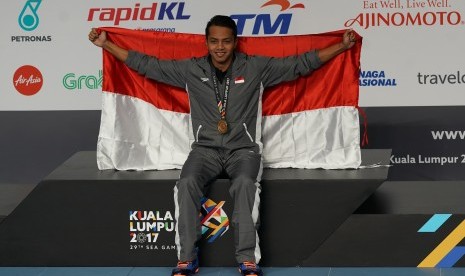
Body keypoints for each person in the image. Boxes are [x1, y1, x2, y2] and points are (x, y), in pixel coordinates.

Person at [89, 15, 356, 276]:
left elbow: (301, 63)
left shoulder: (255, 68)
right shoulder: (191, 69)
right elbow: (148, 65)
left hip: (243, 151)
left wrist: (342, 46)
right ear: (206, 42)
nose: (220, 47)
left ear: (235, 42)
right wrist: (106, 45)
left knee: (244, 185)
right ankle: (186, 260)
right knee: (186, 183)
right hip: (205, 151)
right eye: (214, 41)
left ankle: (247, 260)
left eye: (226, 41)